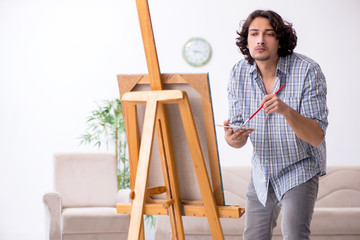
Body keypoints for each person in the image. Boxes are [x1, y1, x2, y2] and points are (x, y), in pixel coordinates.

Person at [224, 10, 328, 240]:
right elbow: (238, 134)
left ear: (280, 39)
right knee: (253, 236)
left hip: (299, 168)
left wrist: (286, 110)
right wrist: (233, 139)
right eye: (254, 34)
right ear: (247, 40)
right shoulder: (238, 73)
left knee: (294, 234)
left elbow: (316, 136)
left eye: (269, 34)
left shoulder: (308, 71)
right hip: (262, 171)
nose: (260, 40)